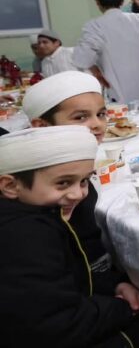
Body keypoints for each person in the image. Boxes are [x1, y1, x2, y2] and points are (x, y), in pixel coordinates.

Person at [0, 126, 139, 347]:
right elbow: (56, 325)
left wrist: (112, 284)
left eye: (84, 181)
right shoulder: (23, 236)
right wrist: (122, 308)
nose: (79, 193)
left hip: (77, 314)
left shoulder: (42, 212)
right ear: (10, 186)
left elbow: (76, 269)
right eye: (63, 183)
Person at [22, 70, 109, 270]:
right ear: (41, 126)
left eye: (101, 114)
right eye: (80, 117)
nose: (97, 124)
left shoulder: (78, 165)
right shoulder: (41, 183)